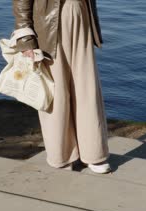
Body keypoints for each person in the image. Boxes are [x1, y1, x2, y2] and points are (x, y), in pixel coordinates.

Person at [12, 0, 111, 173]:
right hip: (48, 24)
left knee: (87, 89)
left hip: (81, 17)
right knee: (56, 93)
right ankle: (62, 155)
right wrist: (25, 37)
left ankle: (94, 154)